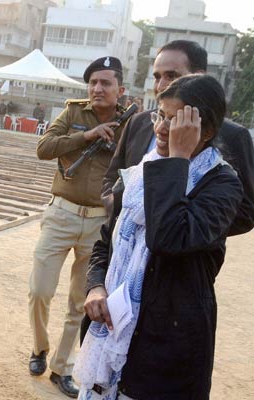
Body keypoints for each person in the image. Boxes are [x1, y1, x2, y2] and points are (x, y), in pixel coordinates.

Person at [74, 74, 242, 399]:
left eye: (175, 120)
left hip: (165, 350)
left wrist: (178, 159)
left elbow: (169, 238)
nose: (162, 128)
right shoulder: (142, 172)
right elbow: (105, 242)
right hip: (111, 331)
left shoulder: (222, 185)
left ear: (204, 130)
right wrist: (95, 286)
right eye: (160, 115)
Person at [28, 56, 127, 398]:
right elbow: (44, 148)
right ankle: (39, 348)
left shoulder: (132, 123)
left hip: (99, 221)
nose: (98, 89)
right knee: (40, 290)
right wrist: (87, 136)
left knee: (77, 302)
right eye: (93, 83)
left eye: (106, 83)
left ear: (120, 90)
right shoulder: (73, 113)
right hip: (61, 214)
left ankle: (62, 367)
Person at [102, 40, 254, 235]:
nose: (162, 86)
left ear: (197, 77)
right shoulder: (139, 122)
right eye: (157, 77)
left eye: (171, 76)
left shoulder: (232, 135)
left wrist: (190, 233)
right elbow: (112, 178)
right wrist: (123, 212)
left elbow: (245, 213)